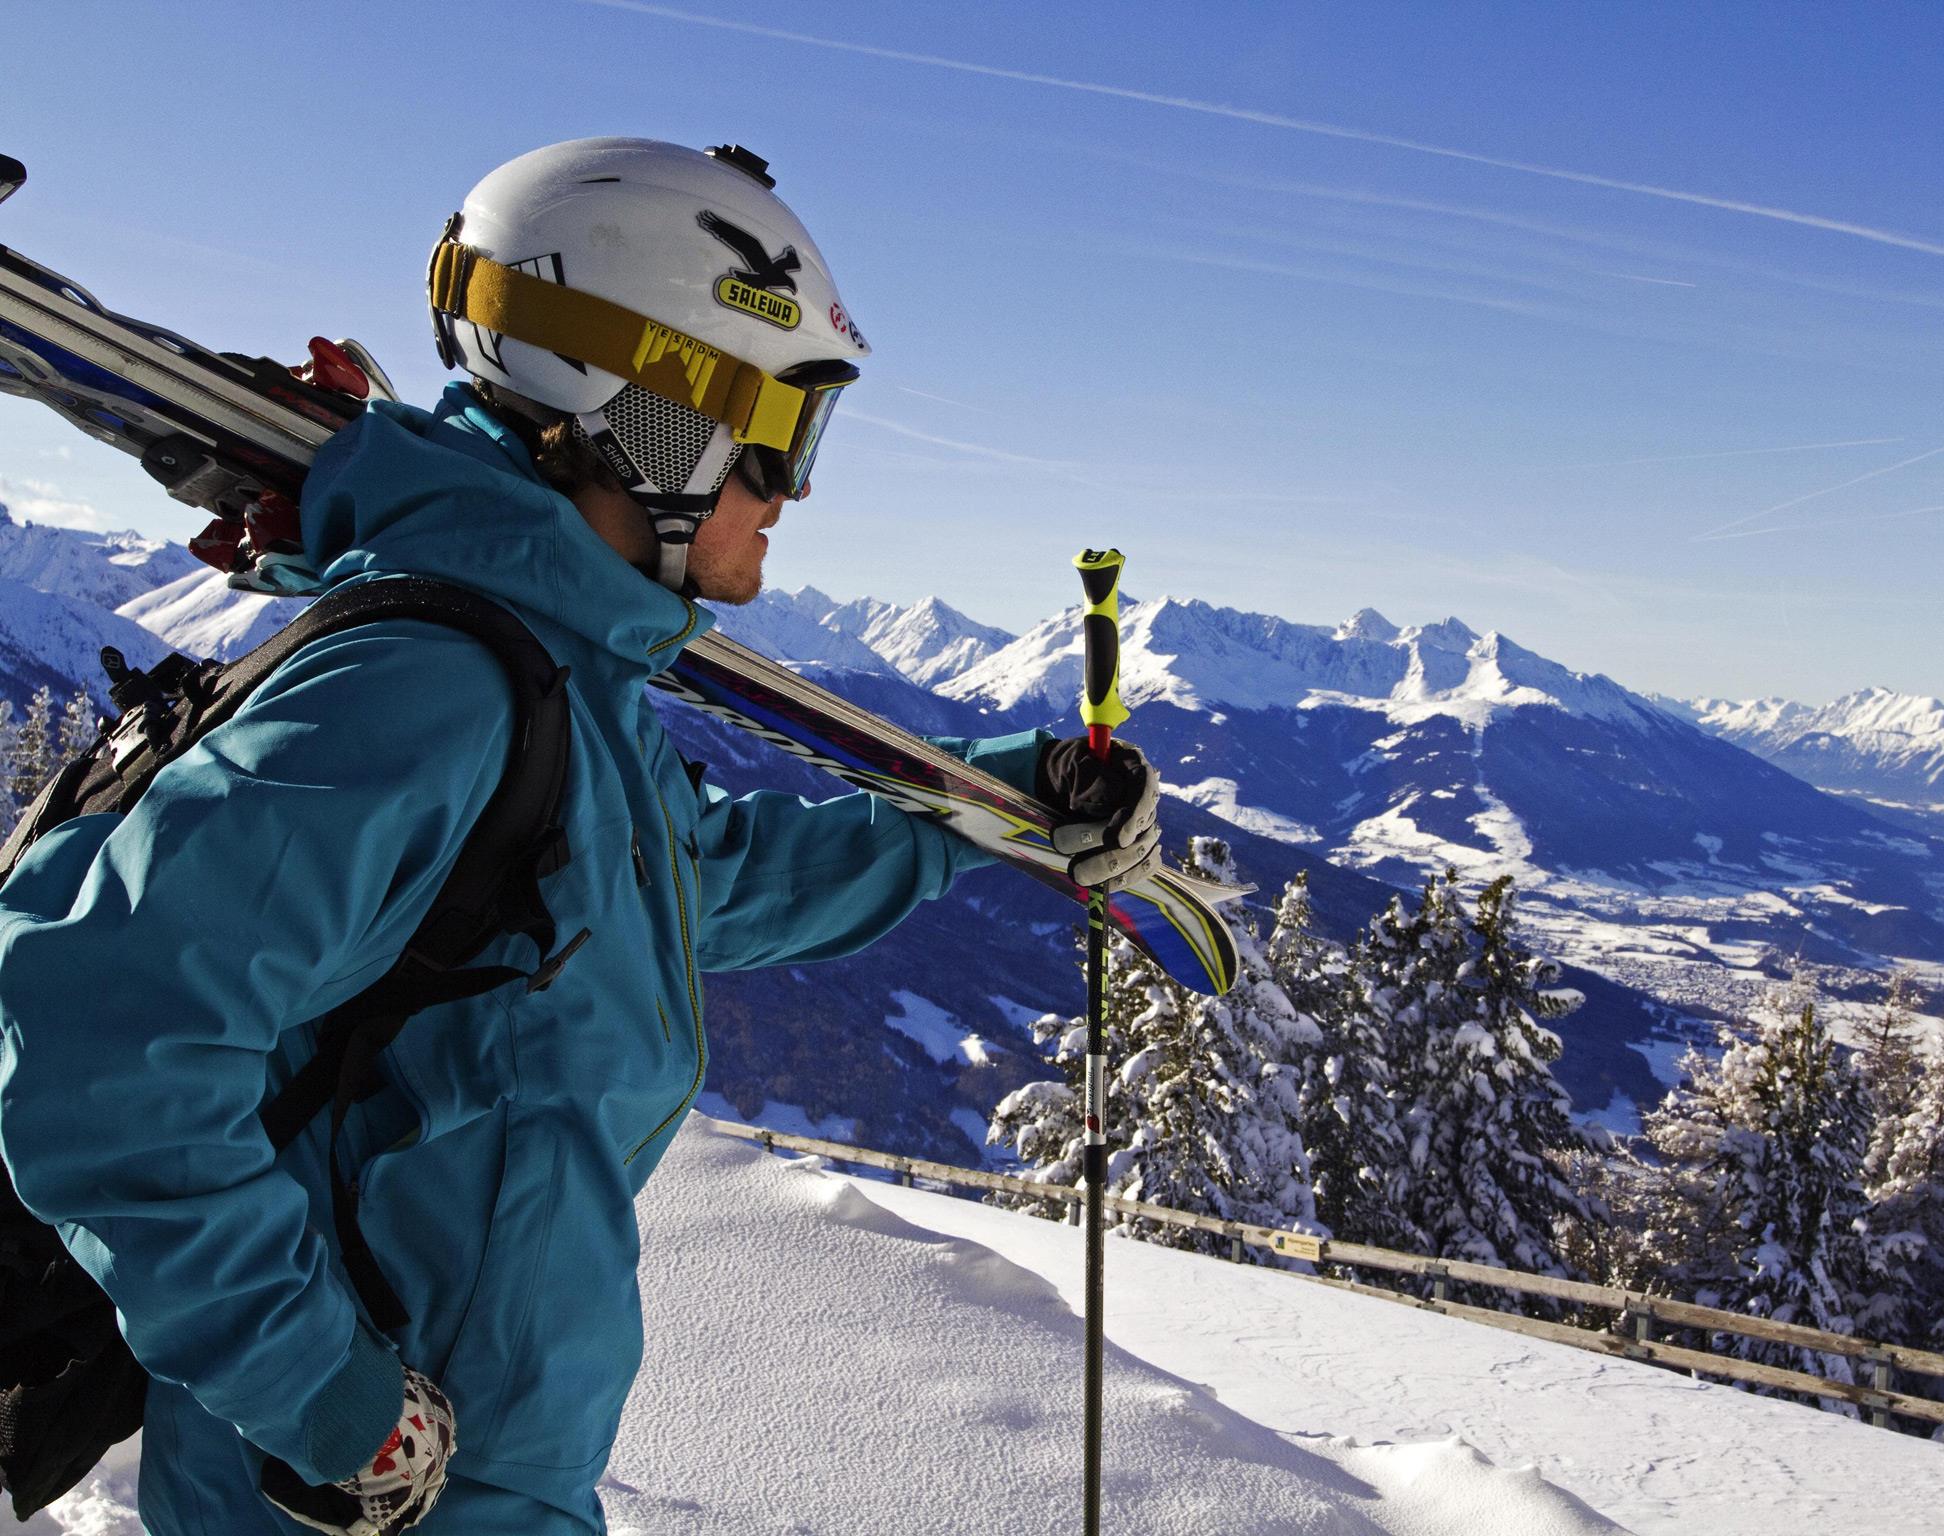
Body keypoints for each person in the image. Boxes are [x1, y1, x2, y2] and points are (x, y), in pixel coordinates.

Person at [0, 138, 1160, 1534]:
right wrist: (328, 1400)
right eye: (781, 435)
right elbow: (100, 1037)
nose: (792, 493)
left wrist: (988, 807)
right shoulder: (436, 692)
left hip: (474, 1479)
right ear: (656, 416)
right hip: (351, 1495)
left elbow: (696, 881)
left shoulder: (561, 682)